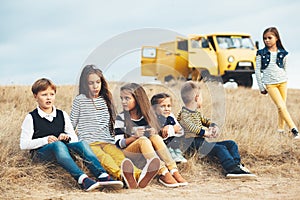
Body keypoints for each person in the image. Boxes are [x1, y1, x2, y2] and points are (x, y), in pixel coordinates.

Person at [20, 78, 123, 192]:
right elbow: (23, 144)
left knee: (82, 143)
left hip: (62, 151)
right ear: (35, 96)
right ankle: (82, 179)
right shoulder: (31, 117)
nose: (49, 98)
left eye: (52, 94)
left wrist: (66, 138)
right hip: (41, 155)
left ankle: (102, 175)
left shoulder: (62, 114)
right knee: (57, 145)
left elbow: (74, 138)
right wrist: (46, 140)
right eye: (44, 95)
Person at [70, 65, 159, 189]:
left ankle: (139, 175)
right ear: (85, 84)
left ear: (102, 82)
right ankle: (122, 176)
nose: (95, 86)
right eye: (91, 83)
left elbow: (114, 123)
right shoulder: (79, 100)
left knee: (119, 157)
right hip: (90, 143)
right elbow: (71, 124)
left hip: (108, 141)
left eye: (98, 82)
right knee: (105, 158)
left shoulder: (106, 99)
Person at [114, 83, 188, 187]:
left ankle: (173, 170)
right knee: (143, 140)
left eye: (127, 98)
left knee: (155, 137)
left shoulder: (148, 115)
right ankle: (162, 172)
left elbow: (170, 128)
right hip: (130, 151)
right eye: (122, 98)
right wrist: (134, 137)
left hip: (147, 151)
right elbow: (118, 143)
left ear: (137, 99)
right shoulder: (121, 117)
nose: (123, 102)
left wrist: (163, 129)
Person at [177, 81, 256, 179]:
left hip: (200, 141)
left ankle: (237, 164)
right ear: (196, 98)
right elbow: (191, 126)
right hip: (191, 144)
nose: (202, 99)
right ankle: (230, 168)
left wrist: (213, 125)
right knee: (219, 148)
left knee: (231, 143)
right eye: (201, 97)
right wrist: (205, 133)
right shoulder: (184, 114)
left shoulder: (195, 113)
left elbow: (205, 121)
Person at [255, 27, 299, 139]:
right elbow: (257, 71)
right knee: (280, 105)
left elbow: (284, 69)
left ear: (277, 38)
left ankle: (280, 130)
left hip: (283, 82)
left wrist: (285, 79)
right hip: (270, 84)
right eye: (264, 38)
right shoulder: (260, 54)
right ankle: (294, 129)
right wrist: (261, 87)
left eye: (270, 38)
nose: (267, 40)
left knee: (282, 107)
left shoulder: (283, 53)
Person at [150, 93, 187, 163]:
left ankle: (177, 154)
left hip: (174, 144)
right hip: (163, 146)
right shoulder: (154, 119)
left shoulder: (170, 116)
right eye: (162, 106)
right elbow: (160, 135)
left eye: (169, 106)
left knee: (176, 146)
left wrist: (170, 127)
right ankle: (170, 157)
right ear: (154, 109)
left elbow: (180, 131)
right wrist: (172, 130)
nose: (166, 109)